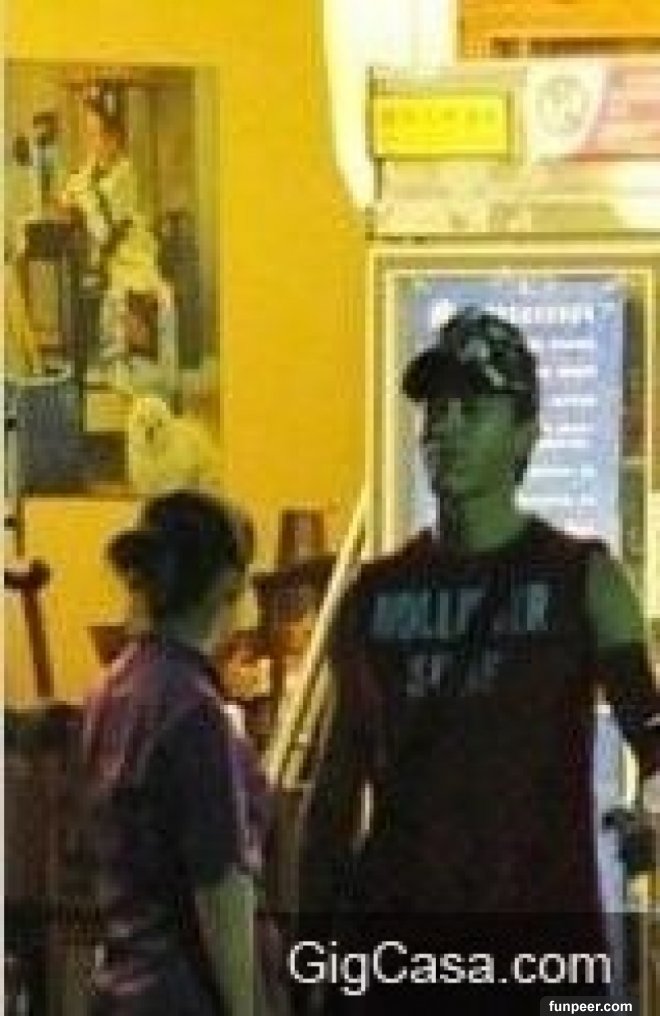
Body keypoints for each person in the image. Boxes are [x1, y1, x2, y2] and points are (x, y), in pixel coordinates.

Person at [299, 308, 659, 1012]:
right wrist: (312, 957)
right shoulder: (375, 596)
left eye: (472, 407)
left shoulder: (582, 582)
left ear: (524, 433)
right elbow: (335, 794)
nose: (446, 428)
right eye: (435, 409)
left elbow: (650, 729)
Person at [83, 490, 274, 1015]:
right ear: (227, 587)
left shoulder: (108, 693)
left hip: (119, 985)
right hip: (184, 993)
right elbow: (221, 886)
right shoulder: (196, 710)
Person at [59, 84, 178, 400]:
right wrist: (75, 196)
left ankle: (147, 381)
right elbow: (68, 193)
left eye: (98, 136)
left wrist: (84, 198)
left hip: (132, 250)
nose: (93, 144)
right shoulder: (91, 170)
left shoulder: (124, 173)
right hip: (109, 257)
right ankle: (120, 374)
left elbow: (108, 230)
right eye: (89, 136)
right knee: (114, 297)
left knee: (139, 294)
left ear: (115, 139)